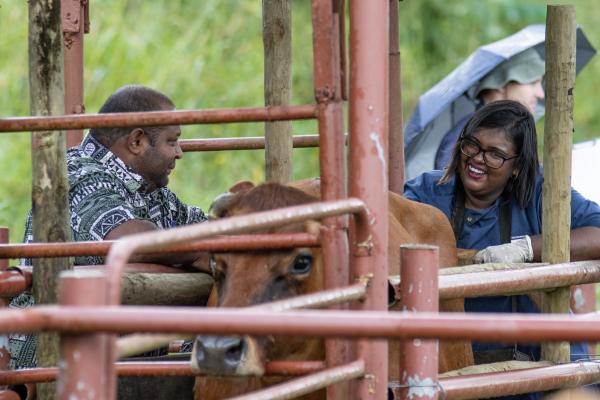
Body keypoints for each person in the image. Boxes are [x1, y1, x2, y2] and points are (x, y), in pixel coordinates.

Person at [405, 100, 600, 399]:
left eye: (495, 154)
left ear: (518, 167)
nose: (478, 159)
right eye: (472, 145)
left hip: (540, 368)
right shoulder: (426, 193)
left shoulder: (543, 191)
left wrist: (526, 249)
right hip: (455, 371)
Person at [9, 84, 209, 369]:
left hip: (114, 364)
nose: (179, 152)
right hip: (56, 365)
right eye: (171, 141)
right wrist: (202, 251)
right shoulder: (77, 172)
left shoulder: (152, 192)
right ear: (137, 141)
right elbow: (128, 240)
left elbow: (204, 227)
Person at [434, 48, 545, 170]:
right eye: (533, 83)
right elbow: (448, 185)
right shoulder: (464, 137)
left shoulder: (512, 132)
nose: (541, 94)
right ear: (502, 82)